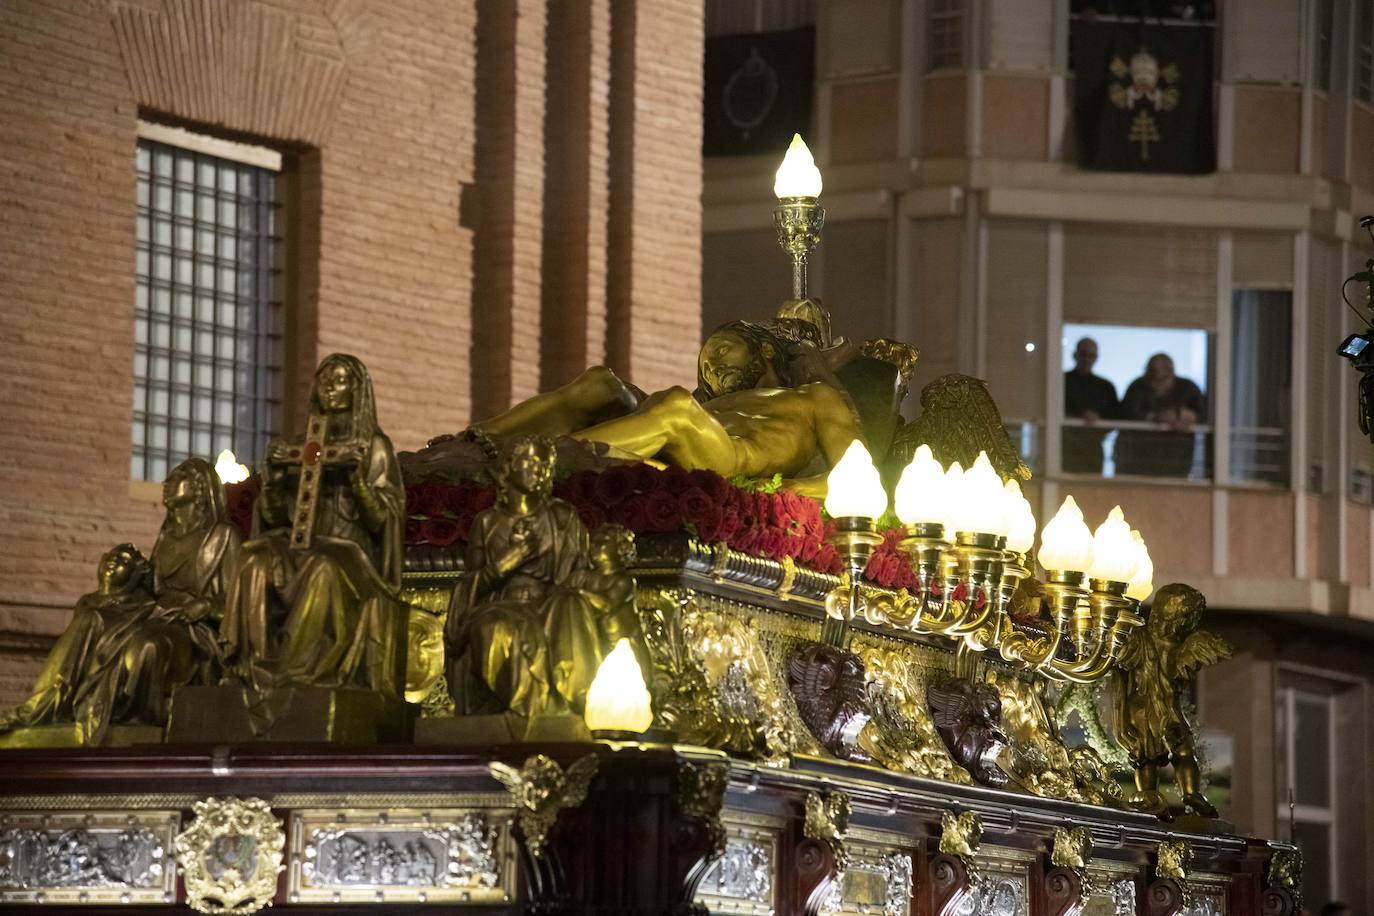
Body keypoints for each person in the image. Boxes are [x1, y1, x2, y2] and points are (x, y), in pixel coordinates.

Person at [220, 354, 408, 697]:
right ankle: (249, 670)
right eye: (324, 380)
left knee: (322, 569)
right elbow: (276, 518)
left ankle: (295, 674)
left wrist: (357, 481)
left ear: (358, 390)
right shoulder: (304, 445)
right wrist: (275, 481)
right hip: (299, 541)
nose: (330, 388)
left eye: (339, 380)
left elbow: (384, 519)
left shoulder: (375, 448)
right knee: (252, 559)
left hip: (350, 553)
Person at [444, 435, 596, 716]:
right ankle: (525, 717)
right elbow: (467, 586)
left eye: (543, 464)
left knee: (572, 606)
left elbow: (580, 573)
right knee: (498, 629)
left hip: (551, 603)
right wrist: (500, 567)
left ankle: (572, 705)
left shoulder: (563, 519)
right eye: (528, 460)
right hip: (500, 605)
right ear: (510, 465)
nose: (536, 469)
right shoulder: (487, 523)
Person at [1115, 353, 1207, 477]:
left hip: (1176, 461)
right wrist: (1155, 417)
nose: (1151, 375)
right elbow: (1125, 413)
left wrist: (1186, 416)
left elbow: (1204, 416)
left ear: (1170, 371)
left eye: (1155, 371)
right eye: (1149, 370)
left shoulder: (1188, 388)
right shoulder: (1137, 386)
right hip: (1137, 460)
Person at [1062, 337, 1119, 474]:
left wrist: (1098, 421)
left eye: (1091, 355)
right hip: (1065, 447)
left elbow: (1116, 416)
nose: (1087, 359)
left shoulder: (1105, 386)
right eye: (1083, 354)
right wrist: (1076, 417)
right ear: (1075, 355)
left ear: (1096, 358)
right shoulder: (1061, 381)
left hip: (1092, 449)